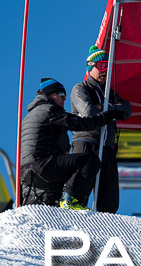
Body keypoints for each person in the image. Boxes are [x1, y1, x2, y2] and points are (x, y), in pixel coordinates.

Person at [20, 78, 125, 209]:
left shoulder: (29, 115)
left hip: (27, 173)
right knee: (90, 161)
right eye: (62, 95)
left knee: (51, 201)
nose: (65, 100)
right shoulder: (49, 110)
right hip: (44, 166)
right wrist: (107, 116)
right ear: (51, 95)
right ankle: (71, 200)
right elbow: (81, 123)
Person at [70, 45, 132, 213]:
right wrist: (112, 110)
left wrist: (106, 107)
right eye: (102, 66)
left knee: (109, 194)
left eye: (108, 66)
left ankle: (106, 224)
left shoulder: (109, 93)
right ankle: (73, 223)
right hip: (86, 143)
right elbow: (88, 111)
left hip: (107, 146)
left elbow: (127, 109)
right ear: (91, 67)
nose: (106, 71)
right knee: (80, 186)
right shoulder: (81, 88)